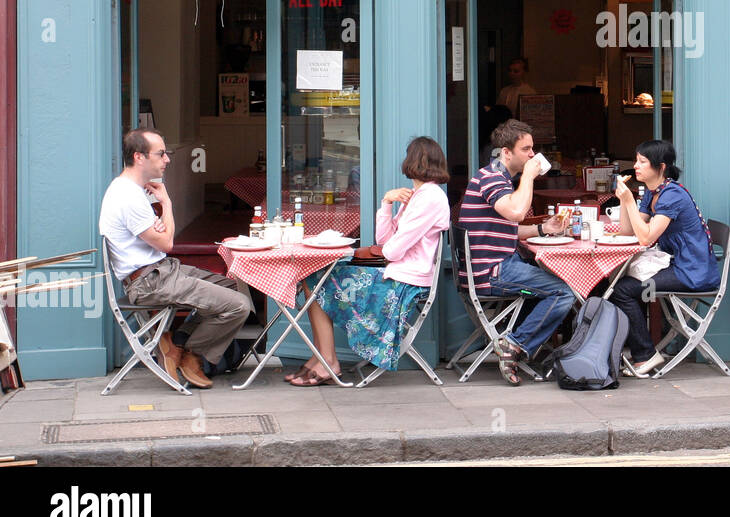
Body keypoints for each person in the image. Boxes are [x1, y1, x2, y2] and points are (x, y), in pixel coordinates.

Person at [285, 136, 451, 386]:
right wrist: (386, 202)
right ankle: (320, 357)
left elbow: (392, 251)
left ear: (412, 161)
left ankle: (328, 360)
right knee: (314, 276)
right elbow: (384, 240)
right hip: (396, 273)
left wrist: (390, 246)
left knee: (317, 280)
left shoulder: (429, 198)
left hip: (404, 282)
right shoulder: (417, 196)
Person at [100, 128, 252, 389]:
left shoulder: (135, 191)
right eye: (161, 154)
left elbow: (161, 237)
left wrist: (160, 221)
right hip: (150, 281)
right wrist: (166, 204)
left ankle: (177, 344)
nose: (167, 159)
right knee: (239, 306)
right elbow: (167, 242)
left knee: (235, 287)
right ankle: (194, 355)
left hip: (161, 271)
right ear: (139, 157)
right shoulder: (127, 196)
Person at [457, 119, 573, 385]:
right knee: (563, 292)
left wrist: (543, 229)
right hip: (491, 271)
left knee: (546, 286)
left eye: (533, 149)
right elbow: (517, 213)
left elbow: (507, 228)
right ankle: (513, 344)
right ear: (506, 153)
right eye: (526, 149)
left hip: (489, 267)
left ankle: (518, 345)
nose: (533, 155)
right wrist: (530, 177)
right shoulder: (492, 179)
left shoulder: (496, 178)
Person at [607, 140, 719, 377]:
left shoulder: (672, 196)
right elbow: (629, 231)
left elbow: (645, 238)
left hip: (692, 270)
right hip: (674, 263)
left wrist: (628, 200)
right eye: (636, 160)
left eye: (642, 162)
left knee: (623, 290)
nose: (635, 166)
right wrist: (623, 200)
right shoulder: (652, 192)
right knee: (618, 283)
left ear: (661, 166)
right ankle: (637, 348)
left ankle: (645, 354)